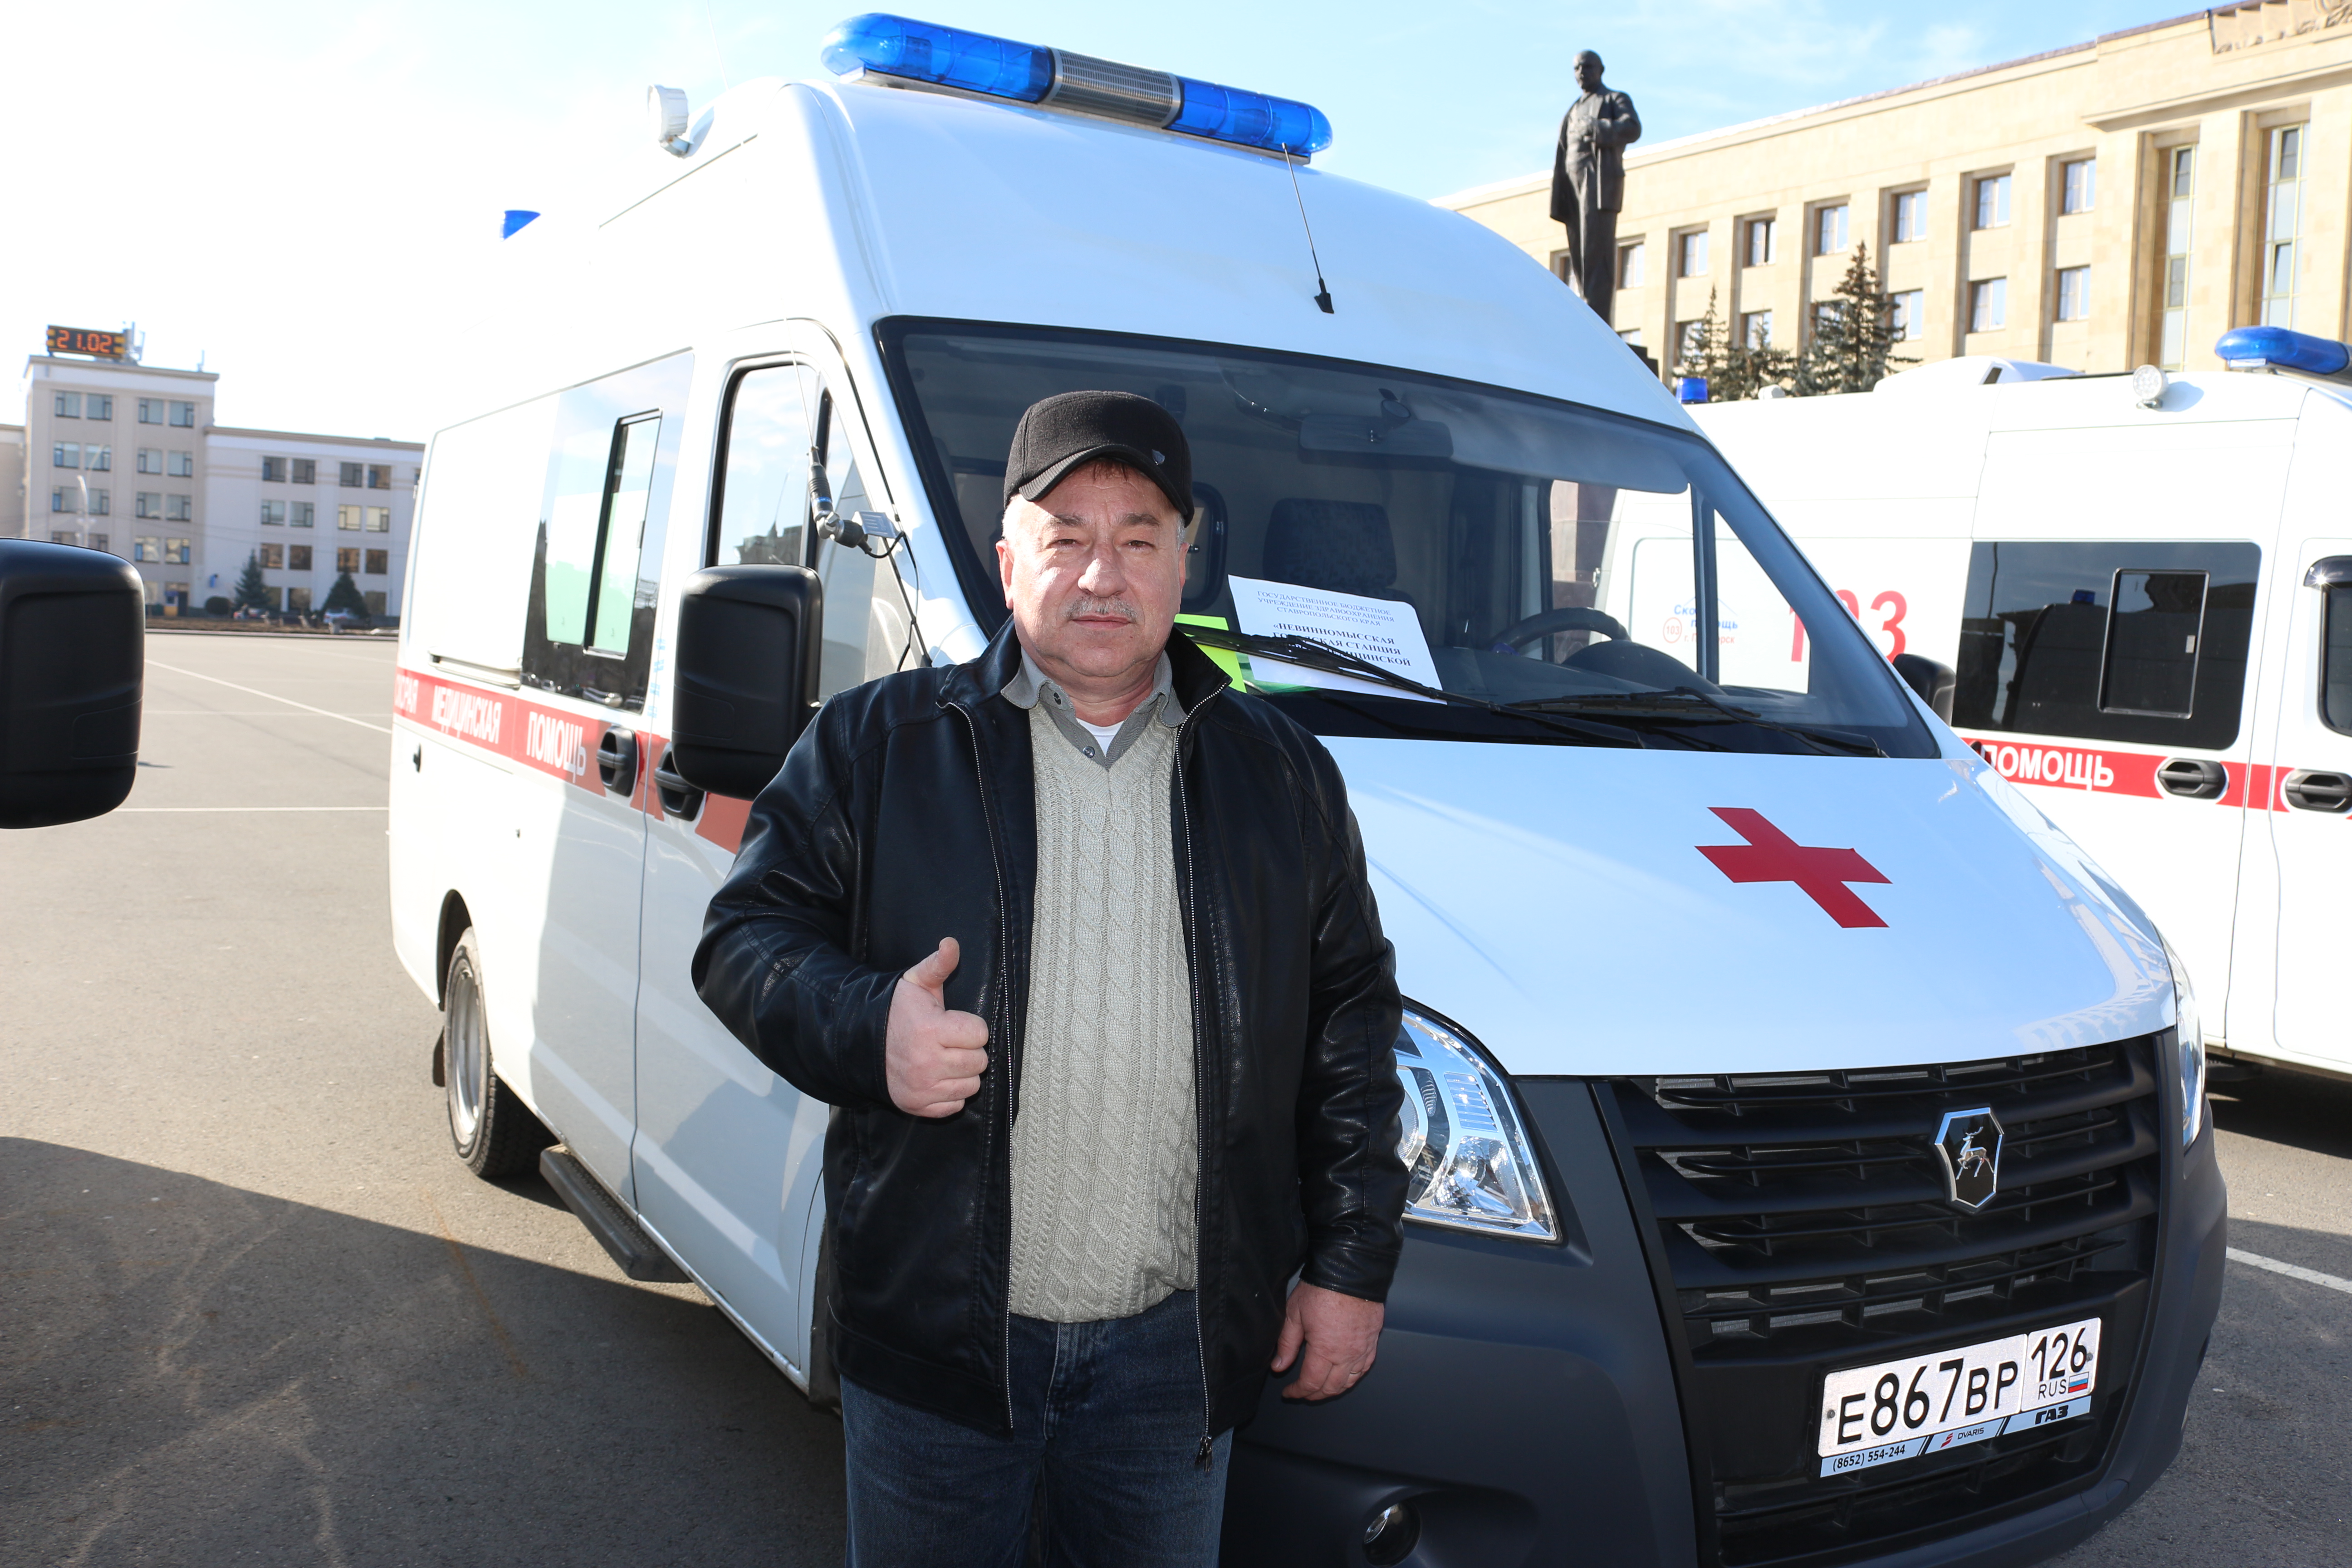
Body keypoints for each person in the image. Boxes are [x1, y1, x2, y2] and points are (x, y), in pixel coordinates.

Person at [693, 390, 1407, 1566]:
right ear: (1007, 559)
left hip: (1174, 1359)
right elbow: (742, 942)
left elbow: (1350, 1030)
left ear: (1188, 558)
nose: (1102, 573)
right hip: (938, 1347)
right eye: (1066, 536)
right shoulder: (878, 744)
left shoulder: (1280, 773)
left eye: (1138, 537)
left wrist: (1348, 1268)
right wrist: (872, 1029)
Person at [1551, 49, 1643, 328]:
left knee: (1597, 253)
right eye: (1577, 68)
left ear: (1601, 69)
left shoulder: (1615, 98)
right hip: (1572, 184)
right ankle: (1586, 321)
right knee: (1579, 255)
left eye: (1588, 67)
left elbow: (1633, 128)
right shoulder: (1573, 109)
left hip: (1597, 182)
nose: (1582, 72)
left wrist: (1598, 127)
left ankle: (1599, 326)